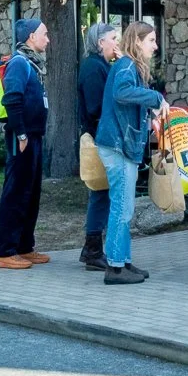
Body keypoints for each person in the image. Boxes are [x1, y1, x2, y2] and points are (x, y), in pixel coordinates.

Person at [92, 21, 167, 286]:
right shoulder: (125, 66)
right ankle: (114, 267)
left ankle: (121, 260)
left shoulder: (127, 66)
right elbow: (122, 93)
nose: (155, 47)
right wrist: (155, 99)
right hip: (117, 145)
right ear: (137, 42)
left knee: (125, 206)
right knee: (122, 208)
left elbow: (126, 98)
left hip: (120, 144)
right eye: (151, 41)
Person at [0, 18, 50, 269]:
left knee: (30, 193)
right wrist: (21, 134)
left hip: (33, 136)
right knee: (16, 193)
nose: (48, 39)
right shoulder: (19, 63)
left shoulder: (31, 63)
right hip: (23, 138)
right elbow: (12, 99)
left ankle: (24, 247)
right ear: (30, 37)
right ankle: (5, 251)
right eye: (44, 34)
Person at [76, 22, 119, 271]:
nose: (117, 42)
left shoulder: (102, 66)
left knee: (102, 193)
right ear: (100, 42)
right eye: (113, 37)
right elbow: (95, 108)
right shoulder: (94, 68)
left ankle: (93, 248)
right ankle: (92, 249)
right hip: (98, 138)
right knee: (100, 192)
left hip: (103, 136)